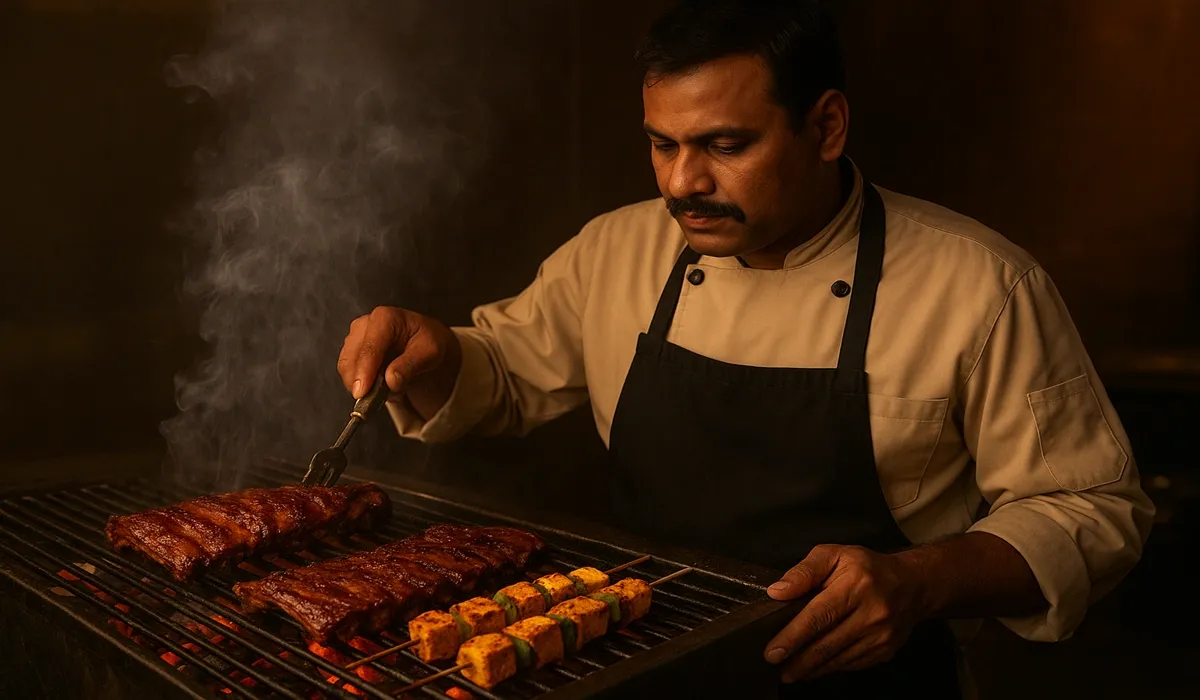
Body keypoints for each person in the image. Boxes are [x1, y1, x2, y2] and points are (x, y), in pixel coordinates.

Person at [336, 0, 1154, 696]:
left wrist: (920, 581)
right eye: (663, 143)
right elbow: (507, 372)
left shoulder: (980, 285)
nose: (682, 182)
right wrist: (441, 356)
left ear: (827, 125)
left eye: (725, 145)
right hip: (641, 667)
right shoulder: (616, 250)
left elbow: (1093, 509)